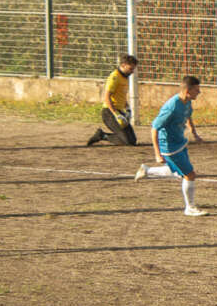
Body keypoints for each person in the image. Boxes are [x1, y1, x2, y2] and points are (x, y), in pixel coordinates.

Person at [136, 75, 205, 216]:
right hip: (169, 146)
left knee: (177, 173)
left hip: (180, 142)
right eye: (197, 90)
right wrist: (157, 153)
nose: (199, 92)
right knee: (190, 175)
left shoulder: (186, 102)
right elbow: (155, 128)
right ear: (188, 90)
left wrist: (194, 133)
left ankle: (147, 171)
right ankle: (190, 208)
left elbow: (187, 115)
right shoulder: (172, 107)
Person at [87, 54, 139, 146]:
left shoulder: (125, 77)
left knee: (132, 141)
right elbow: (107, 97)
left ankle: (106, 135)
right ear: (123, 65)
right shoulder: (114, 77)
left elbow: (121, 96)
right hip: (109, 113)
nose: (132, 72)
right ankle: (102, 135)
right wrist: (116, 114)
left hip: (119, 112)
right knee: (126, 142)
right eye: (131, 69)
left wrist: (127, 108)